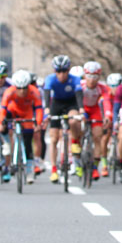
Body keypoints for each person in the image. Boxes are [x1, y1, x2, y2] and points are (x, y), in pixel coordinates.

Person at [43, 55, 84, 183]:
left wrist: (81, 108)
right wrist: (47, 109)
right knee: (54, 138)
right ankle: (54, 170)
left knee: (73, 120)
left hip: (71, 103)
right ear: (55, 71)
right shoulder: (50, 79)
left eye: (64, 71)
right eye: (58, 71)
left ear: (68, 70)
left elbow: (78, 94)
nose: (61, 74)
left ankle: (75, 142)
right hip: (57, 104)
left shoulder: (75, 79)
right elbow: (47, 93)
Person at [0, 70, 43, 185]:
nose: (22, 91)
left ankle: (29, 171)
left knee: (28, 141)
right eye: (19, 88)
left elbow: (38, 109)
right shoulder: (9, 92)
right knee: (3, 125)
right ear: (15, 86)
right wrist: (1, 122)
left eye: (24, 88)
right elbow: (3, 109)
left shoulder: (34, 92)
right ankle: (7, 144)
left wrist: (38, 123)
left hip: (26, 114)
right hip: (13, 111)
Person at [81, 61, 113, 180]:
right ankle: (77, 149)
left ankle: (95, 167)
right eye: (89, 76)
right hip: (83, 109)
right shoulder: (80, 86)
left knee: (98, 136)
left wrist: (108, 116)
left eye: (95, 76)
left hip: (95, 110)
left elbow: (106, 102)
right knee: (78, 127)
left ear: (99, 77)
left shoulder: (103, 88)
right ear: (85, 75)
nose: (92, 79)